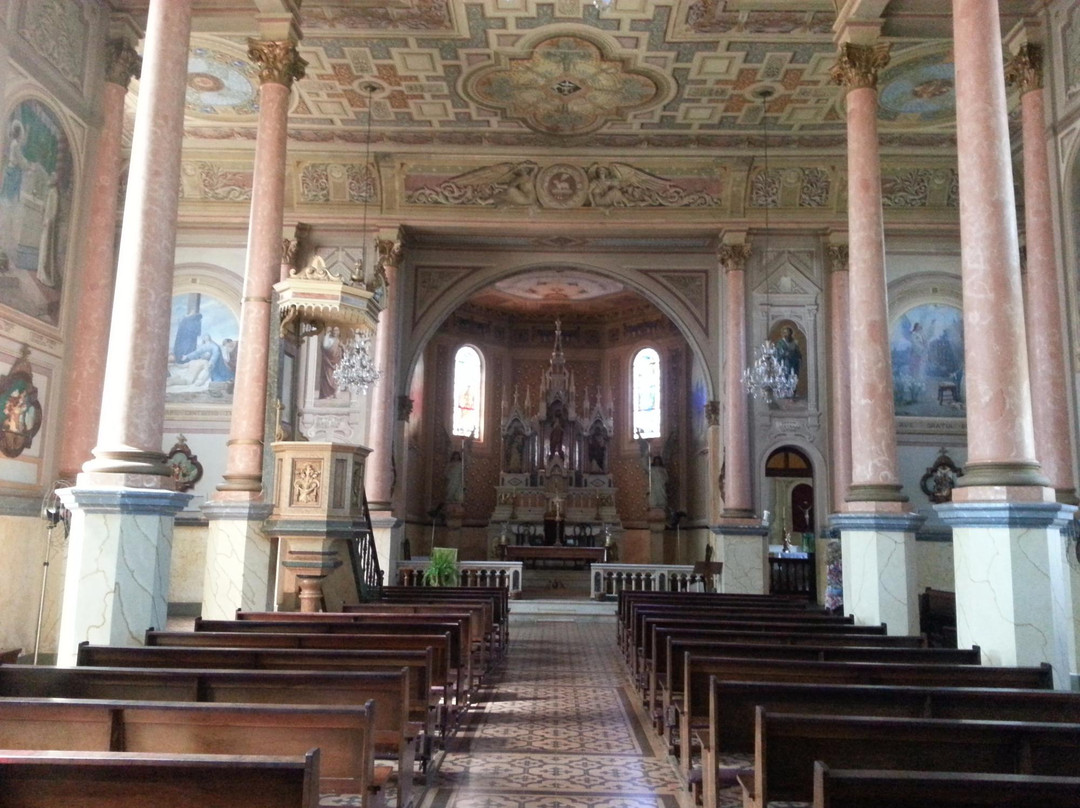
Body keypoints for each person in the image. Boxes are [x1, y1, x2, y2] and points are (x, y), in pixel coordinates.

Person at [319, 326, 343, 399]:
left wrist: (342, 348)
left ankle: (334, 393)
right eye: (334, 330)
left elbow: (341, 351)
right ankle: (327, 394)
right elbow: (325, 346)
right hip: (328, 362)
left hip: (336, 362)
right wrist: (327, 334)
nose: (335, 332)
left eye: (337, 330)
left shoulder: (338, 341)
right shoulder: (329, 339)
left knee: (335, 378)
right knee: (328, 377)